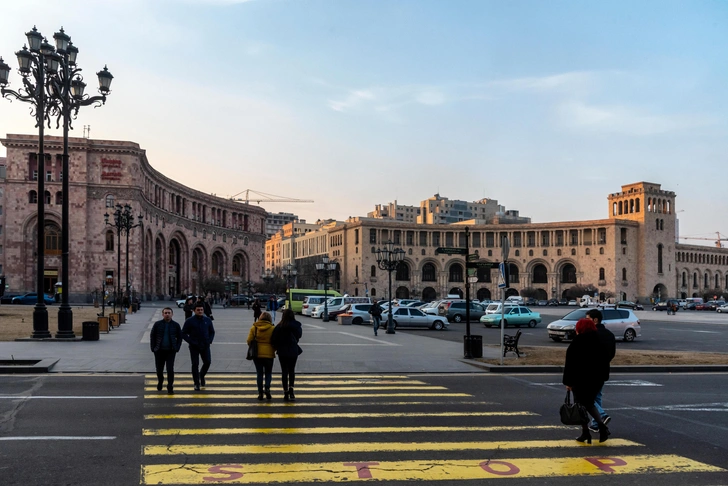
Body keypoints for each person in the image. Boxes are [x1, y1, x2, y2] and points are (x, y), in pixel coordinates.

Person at [562, 318, 610, 443]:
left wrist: (568, 382)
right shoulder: (599, 341)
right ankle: (592, 430)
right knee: (588, 404)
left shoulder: (577, 342)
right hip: (596, 379)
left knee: (581, 405)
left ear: (580, 328)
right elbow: (605, 361)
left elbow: (571, 364)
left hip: (580, 380)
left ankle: (593, 429)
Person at [586, 308, 615, 433]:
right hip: (603, 370)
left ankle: (602, 415)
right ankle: (596, 423)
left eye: (588, 319)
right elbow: (612, 353)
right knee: (597, 396)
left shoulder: (591, 334)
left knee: (586, 397)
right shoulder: (609, 334)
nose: (586, 322)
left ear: (595, 320)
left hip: (591, 370)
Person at [182, 301, 216, 391]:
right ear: (194, 311)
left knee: (207, 362)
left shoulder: (207, 320)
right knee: (195, 364)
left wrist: (209, 340)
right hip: (194, 346)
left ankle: (202, 375)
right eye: (198, 310)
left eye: (201, 310)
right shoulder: (189, 321)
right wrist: (190, 341)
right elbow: (183, 333)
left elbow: (212, 331)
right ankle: (196, 383)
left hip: (205, 345)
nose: (200, 311)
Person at [271, 309, 303, 401]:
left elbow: (273, 339)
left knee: (284, 371)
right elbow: (299, 335)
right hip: (293, 350)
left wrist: (278, 345)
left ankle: (285, 392)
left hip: (282, 351)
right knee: (291, 370)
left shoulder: (279, 326)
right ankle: (291, 390)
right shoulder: (296, 325)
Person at [150, 307, 182, 394]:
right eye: (165, 313)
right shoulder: (157, 324)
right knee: (159, 369)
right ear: (163, 314)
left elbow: (180, 337)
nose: (167, 314)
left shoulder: (176, 325)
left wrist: (177, 347)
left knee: (170, 369)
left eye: (169, 313)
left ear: (172, 314)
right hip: (159, 350)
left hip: (171, 351)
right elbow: (152, 336)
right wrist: (153, 348)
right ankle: (160, 381)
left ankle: (170, 386)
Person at [247, 311, 275, 400]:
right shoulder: (272, 328)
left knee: (259, 373)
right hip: (269, 354)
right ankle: (267, 388)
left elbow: (249, 340)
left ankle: (260, 393)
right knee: (268, 373)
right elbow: (276, 341)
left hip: (257, 354)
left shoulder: (254, 328)